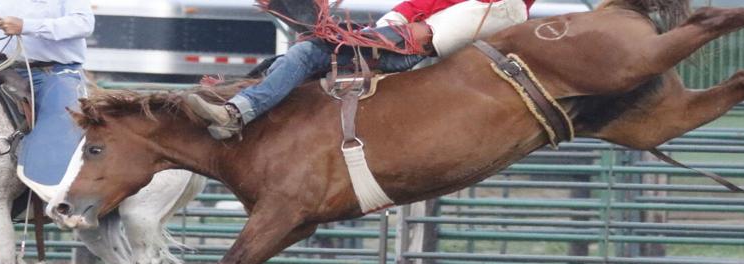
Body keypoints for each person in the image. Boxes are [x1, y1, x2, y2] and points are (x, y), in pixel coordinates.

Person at [187, 0, 533, 139]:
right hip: (402, 41)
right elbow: (410, 10)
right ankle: (238, 110)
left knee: (306, 53)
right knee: (297, 59)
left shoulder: (508, 8)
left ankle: (236, 112)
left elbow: (417, 23)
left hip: (407, 47)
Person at [0, 0, 96, 189]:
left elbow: (83, 23)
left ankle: (60, 193)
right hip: (7, 71)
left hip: (55, 72)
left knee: (62, 123)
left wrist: (26, 26)